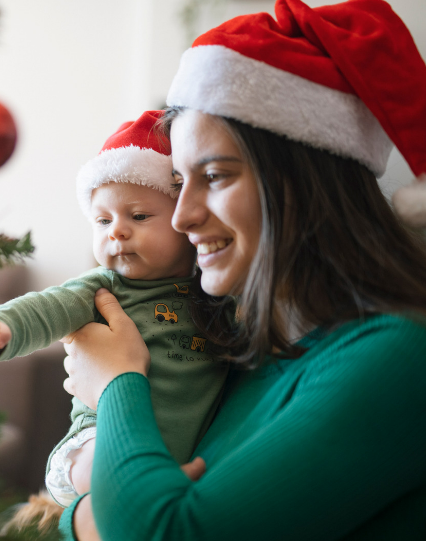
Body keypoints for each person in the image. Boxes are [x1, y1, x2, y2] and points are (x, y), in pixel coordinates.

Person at [58, 0, 426, 539]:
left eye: (216, 176)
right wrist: (90, 511)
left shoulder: (398, 357)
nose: (183, 218)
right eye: (181, 184)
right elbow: (113, 516)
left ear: (304, 181)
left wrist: (117, 381)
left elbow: (161, 530)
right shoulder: (238, 344)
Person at [0, 110, 228, 507]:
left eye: (139, 216)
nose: (117, 231)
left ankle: (145, 494)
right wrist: (0, 331)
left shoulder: (213, 293)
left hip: (188, 453)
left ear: (184, 220)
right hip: (99, 439)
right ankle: (128, 488)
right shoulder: (102, 288)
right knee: (95, 462)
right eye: (102, 220)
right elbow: (45, 308)